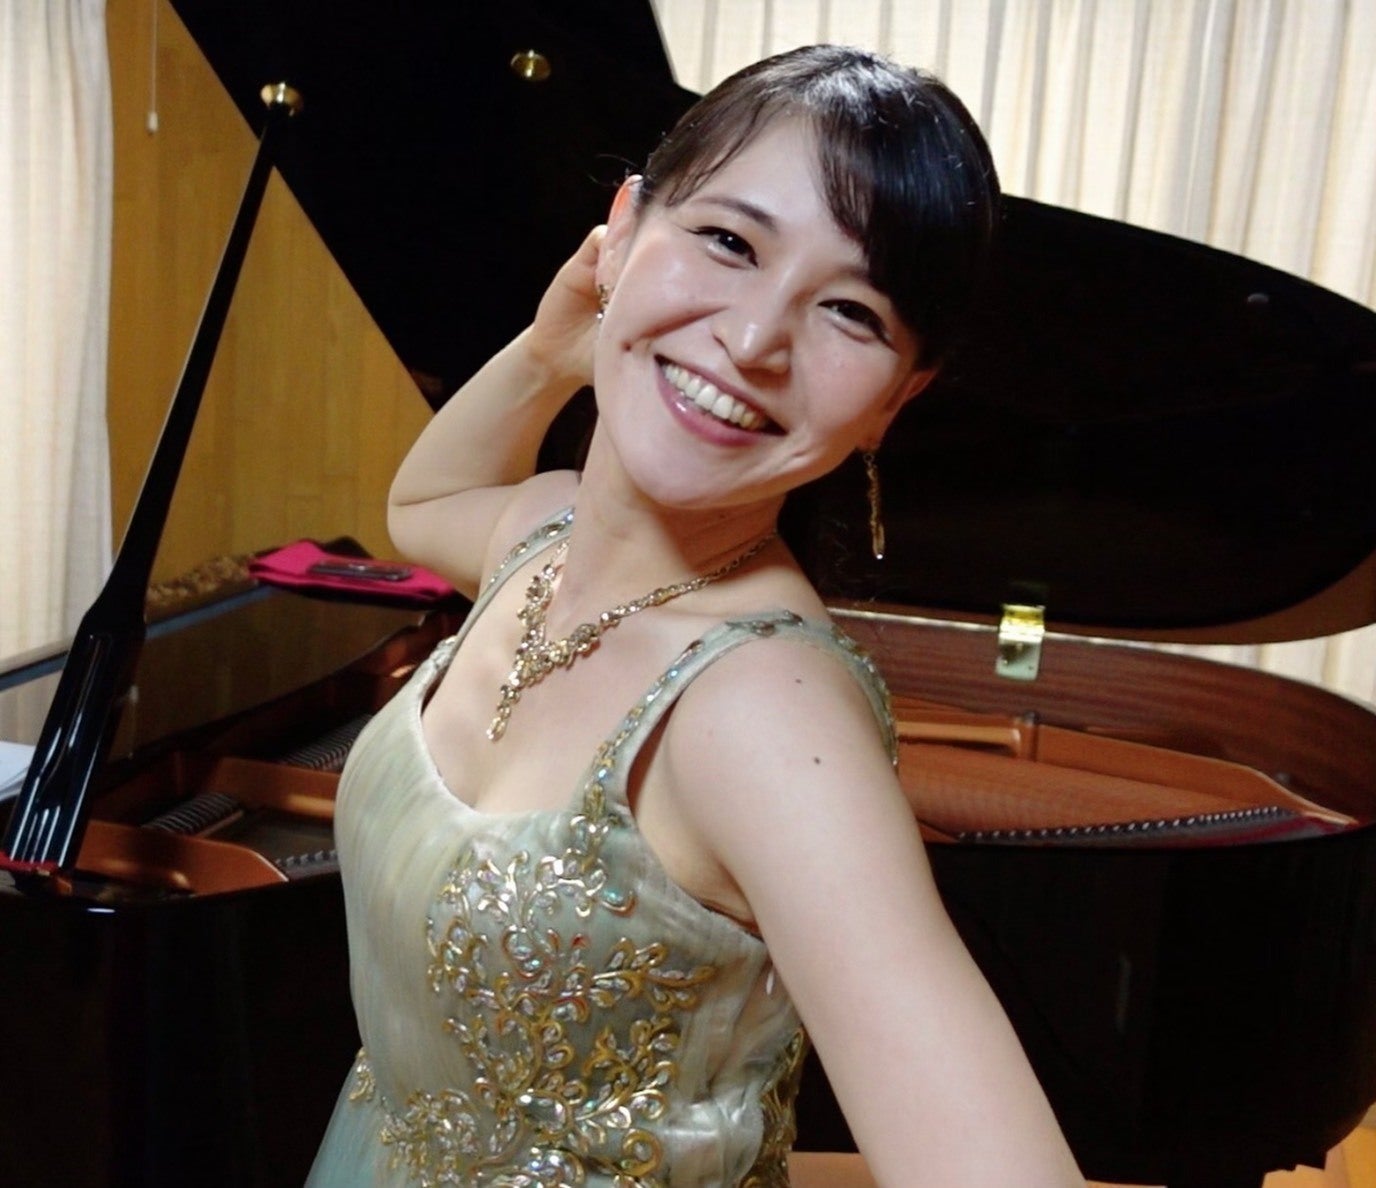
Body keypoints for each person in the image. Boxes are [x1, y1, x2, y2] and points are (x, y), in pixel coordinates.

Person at [306, 44, 1084, 1188]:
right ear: (618, 233)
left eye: (849, 312)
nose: (754, 339)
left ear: (894, 401)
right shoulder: (543, 537)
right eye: (728, 241)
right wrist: (551, 349)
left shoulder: (761, 714)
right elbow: (421, 503)